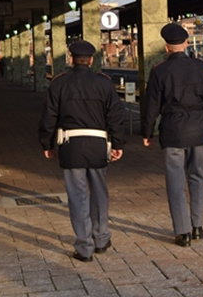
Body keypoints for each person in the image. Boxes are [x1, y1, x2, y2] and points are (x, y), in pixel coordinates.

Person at [38, 40, 126, 262]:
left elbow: (48, 117)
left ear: (71, 59)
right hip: (97, 146)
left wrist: (47, 144)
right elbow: (116, 116)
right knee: (99, 192)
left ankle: (84, 247)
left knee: (77, 197)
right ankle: (102, 238)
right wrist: (118, 144)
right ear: (92, 60)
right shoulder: (104, 84)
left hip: (71, 146)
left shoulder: (59, 84)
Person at [141, 23, 203, 247]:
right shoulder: (201, 68)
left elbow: (151, 106)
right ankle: (198, 226)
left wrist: (147, 131)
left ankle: (182, 232)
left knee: (175, 181)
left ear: (167, 47)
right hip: (198, 129)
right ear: (186, 44)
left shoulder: (159, 71)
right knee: (197, 176)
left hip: (173, 130)